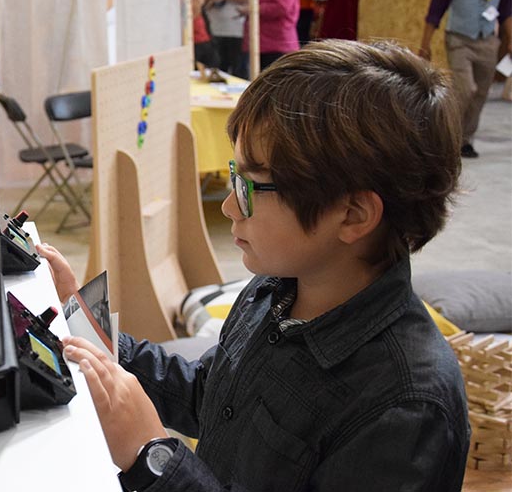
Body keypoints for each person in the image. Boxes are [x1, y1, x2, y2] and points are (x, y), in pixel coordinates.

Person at [36, 39, 469, 491]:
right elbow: (210, 393)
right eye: (232, 177)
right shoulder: (275, 290)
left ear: (353, 214)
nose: (227, 207)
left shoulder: (406, 406)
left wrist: (152, 455)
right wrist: (81, 323)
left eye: (249, 188)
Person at [420, 0, 512, 158]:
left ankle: (465, 140)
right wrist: (426, 44)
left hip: (488, 42)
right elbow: (436, 9)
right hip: (459, 40)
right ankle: (446, 135)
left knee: (481, 93)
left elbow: (507, 10)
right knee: (465, 88)